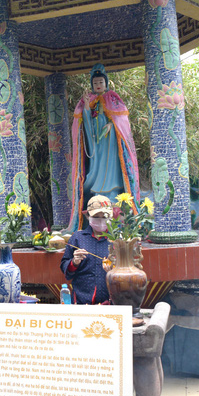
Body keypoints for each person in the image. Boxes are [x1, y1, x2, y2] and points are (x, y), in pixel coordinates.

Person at [68, 64, 141, 232]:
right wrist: (86, 106)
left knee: (113, 169)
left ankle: (115, 210)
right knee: (95, 167)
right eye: (95, 83)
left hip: (111, 146)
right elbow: (84, 123)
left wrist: (111, 125)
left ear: (106, 82)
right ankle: (96, 203)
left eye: (101, 81)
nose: (98, 85)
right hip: (96, 144)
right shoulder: (91, 102)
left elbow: (122, 123)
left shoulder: (113, 99)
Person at [61, 195, 113, 305]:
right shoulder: (78, 237)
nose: (100, 220)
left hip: (110, 300)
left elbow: (125, 269)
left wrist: (113, 271)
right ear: (88, 216)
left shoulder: (117, 240)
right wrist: (74, 262)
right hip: (82, 300)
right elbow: (66, 269)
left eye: (104, 217)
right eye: (96, 217)